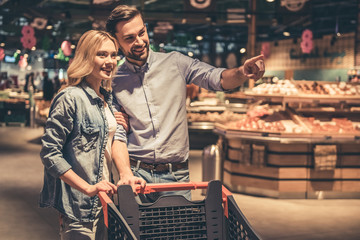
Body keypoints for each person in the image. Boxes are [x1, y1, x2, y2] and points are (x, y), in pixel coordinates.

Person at [106, 5, 265, 200]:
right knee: (137, 232)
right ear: (117, 41)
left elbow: (216, 78)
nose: (139, 41)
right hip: (136, 176)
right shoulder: (114, 80)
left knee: (179, 231)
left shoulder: (176, 63)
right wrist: (125, 174)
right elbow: (118, 135)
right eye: (129, 38)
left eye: (142, 33)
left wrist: (241, 72)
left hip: (176, 177)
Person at [39, 30, 145, 240]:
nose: (110, 61)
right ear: (87, 57)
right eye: (102, 55)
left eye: (113, 55)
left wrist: (117, 125)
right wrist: (87, 188)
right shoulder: (70, 97)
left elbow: (103, 142)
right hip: (80, 207)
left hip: (105, 198)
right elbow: (50, 154)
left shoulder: (105, 98)